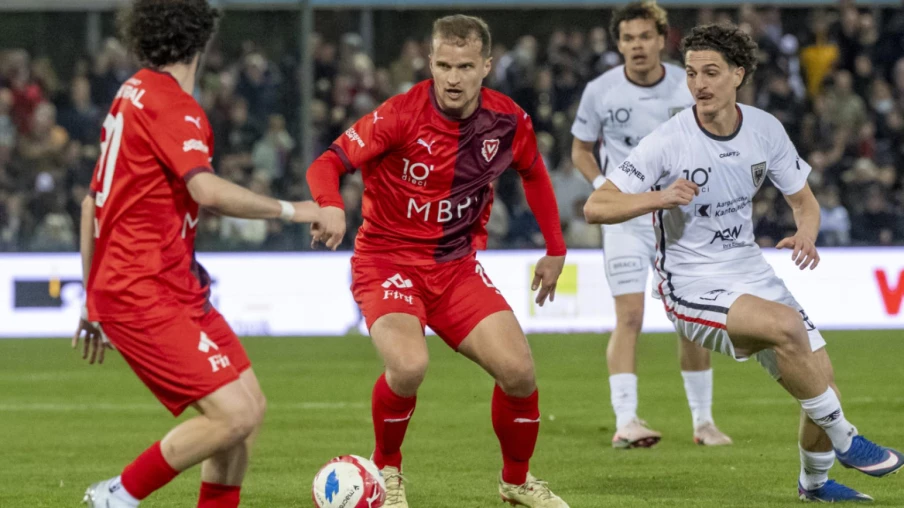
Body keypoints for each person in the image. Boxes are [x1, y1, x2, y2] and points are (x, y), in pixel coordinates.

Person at [583, 22, 903, 502]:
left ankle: (813, 486)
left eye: (711, 73)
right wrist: (659, 196)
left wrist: (807, 235)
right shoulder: (668, 140)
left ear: (739, 74)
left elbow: (804, 202)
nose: (699, 85)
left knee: (822, 384)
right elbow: (597, 207)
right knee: (788, 327)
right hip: (689, 283)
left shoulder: (764, 129)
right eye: (691, 73)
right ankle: (847, 440)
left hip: (749, 270)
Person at [306, 14, 569, 508]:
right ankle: (386, 471)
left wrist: (555, 249)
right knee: (408, 366)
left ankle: (515, 483)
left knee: (519, 372)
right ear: (429, 61)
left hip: (455, 266)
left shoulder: (509, 120)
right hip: (387, 262)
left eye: (465, 66)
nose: (452, 77)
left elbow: (533, 173)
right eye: (443, 65)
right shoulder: (398, 115)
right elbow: (326, 163)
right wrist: (330, 207)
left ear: (486, 66)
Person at [74, 1, 319, 507]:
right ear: (202, 39)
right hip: (142, 289)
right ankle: (117, 496)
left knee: (249, 409)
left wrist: (89, 299)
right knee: (234, 416)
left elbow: (88, 204)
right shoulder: (172, 104)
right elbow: (206, 191)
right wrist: (296, 210)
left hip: (170, 285)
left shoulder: (130, 93)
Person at [570, 1, 731, 449]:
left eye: (645, 37)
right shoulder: (600, 91)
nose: (636, 46)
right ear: (618, 43)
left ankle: (703, 423)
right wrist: (606, 186)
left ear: (662, 39)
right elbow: (581, 150)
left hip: (681, 220)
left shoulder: (689, 83)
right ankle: (626, 421)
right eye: (628, 38)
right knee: (630, 315)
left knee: (690, 318)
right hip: (626, 219)